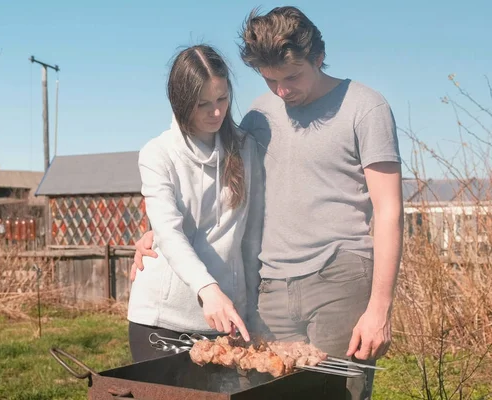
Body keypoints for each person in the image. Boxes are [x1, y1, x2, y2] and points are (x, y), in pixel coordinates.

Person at [130, 7, 403, 400]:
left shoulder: (365, 107)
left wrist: (380, 308)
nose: (282, 91)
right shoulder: (259, 115)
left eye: (292, 77)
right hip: (270, 289)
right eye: (270, 79)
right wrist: (157, 229)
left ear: (319, 57)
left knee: (337, 394)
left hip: (339, 278)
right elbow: (228, 195)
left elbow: (390, 210)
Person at [127, 44, 264, 363]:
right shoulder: (157, 154)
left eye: (222, 99)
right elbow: (169, 234)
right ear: (182, 102)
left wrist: (251, 307)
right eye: (204, 104)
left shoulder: (246, 149)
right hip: (161, 321)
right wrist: (208, 289)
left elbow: (251, 236)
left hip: (225, 317)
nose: (216, 112)